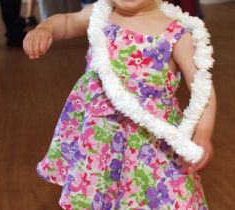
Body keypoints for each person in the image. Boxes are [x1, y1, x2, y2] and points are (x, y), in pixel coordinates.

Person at [23, 0, 217, 209]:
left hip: (151, 143)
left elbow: (202, 88)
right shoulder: (100, 14)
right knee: (102, 194)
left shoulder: (176, 33)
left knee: (162, 196)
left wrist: (203, 133)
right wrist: (46, 28)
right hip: (101, 138)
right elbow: (68, 22)